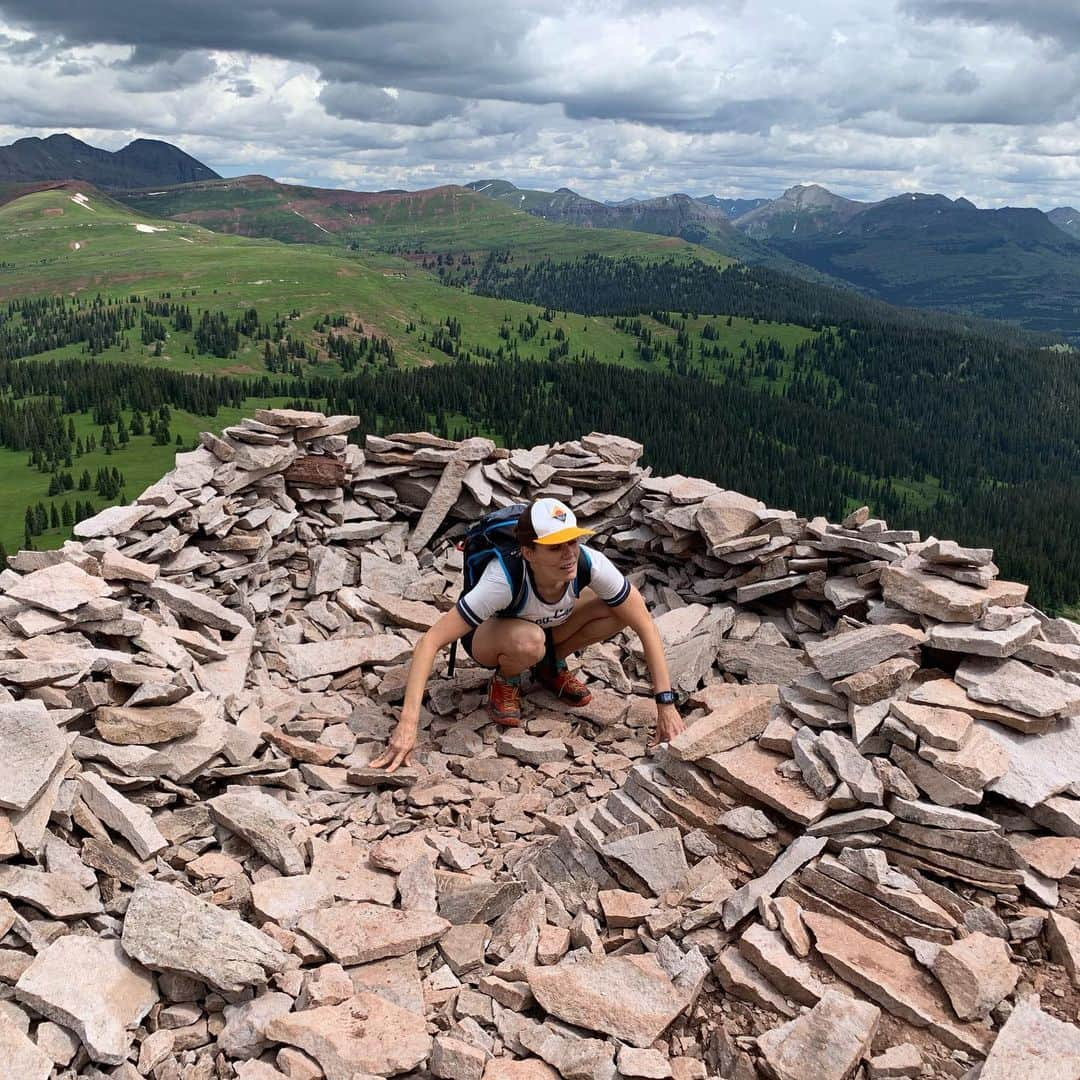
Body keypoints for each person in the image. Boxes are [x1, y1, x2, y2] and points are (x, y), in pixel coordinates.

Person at [371, 496, 686, 773]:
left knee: (619, 609)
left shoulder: (590, 564)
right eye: (555, 547)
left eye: (573, 542)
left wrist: (666, 705)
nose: (569, 554)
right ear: (528, 552)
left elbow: (643, 622)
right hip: (492, 638)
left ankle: (549, 666)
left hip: (545, 626)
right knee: (529, 640)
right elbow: (431, 641)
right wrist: (408, 725)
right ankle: (506, 678)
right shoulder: (503, 578)